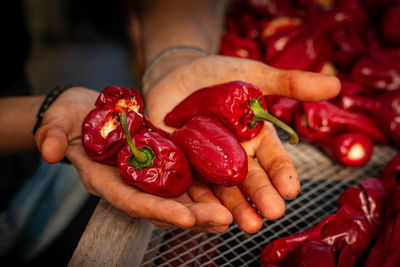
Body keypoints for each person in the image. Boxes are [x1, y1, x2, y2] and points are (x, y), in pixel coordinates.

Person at [1, 0, 341, 264]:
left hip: (44, 184)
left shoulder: (140, 143)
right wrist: (42, 112)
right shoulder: (132, 148)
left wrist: (173, 61)